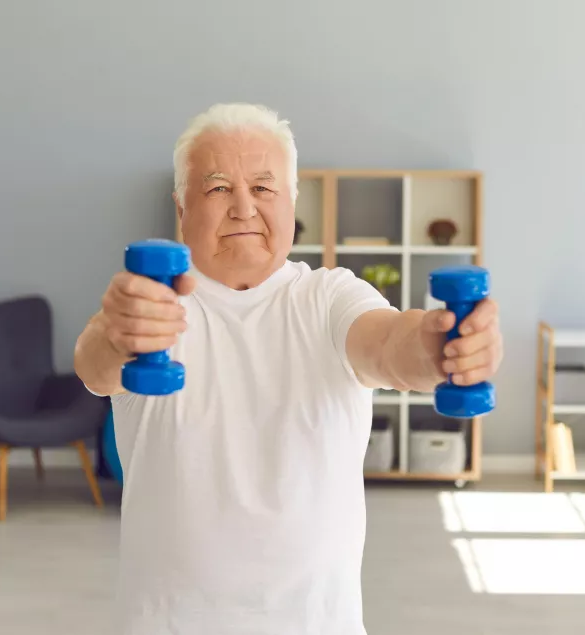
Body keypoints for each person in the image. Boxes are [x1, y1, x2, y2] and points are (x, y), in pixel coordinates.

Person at [73, 103, 503, 635]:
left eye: (263, 188)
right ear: (181, 207)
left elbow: (392, 344)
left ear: (292, 201)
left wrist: (442, 348)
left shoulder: (330, 297)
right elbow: (96, 364)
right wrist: (117, 333)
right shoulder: (152, 305)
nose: (243, 209)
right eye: (216, 189)